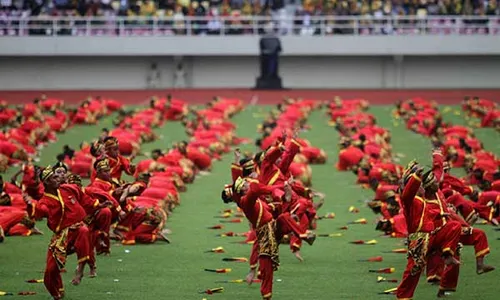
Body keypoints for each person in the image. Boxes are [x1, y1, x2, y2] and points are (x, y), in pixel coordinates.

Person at [24, 165, 98, 299]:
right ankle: (58, 294)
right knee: (50, 272)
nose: (59, 178)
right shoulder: (45, 200)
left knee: (83, 229)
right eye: (55, 177)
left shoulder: (68, 188)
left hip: (77, 229)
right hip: (61, 237)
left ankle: (80, 269)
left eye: (59, 176)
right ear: (47, 182)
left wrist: (97, 205)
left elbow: (83, 197)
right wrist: (33, 206)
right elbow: (42, 210)